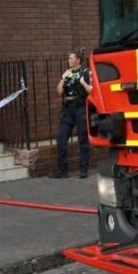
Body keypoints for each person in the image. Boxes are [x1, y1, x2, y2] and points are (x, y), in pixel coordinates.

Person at [50, 51, 92, 179]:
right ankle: (62, 170)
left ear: (78, 60)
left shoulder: (85, 72)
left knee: (83, 139)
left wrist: (83, 82)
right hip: (68, 108)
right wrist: (63, 78)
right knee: (61, 138)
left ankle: (83, 170)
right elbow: (59, 91)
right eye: (69, 58)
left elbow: (91, 90)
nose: (68, 60)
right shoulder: (68, 73)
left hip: (80, 108)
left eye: (71, 58)